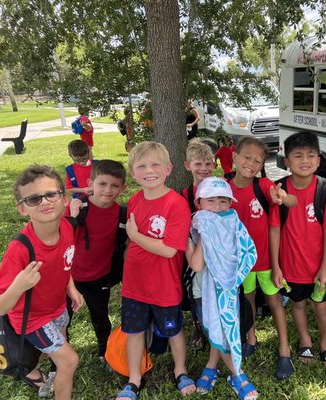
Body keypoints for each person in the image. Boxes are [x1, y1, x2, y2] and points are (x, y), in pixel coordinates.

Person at [0, 165, 84, 400]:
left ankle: (37, 368)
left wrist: (71, 288)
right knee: (69, 360)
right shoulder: (20, 249)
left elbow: (64, 262)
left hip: (57, 307)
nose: (44, 202)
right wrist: (19, 285)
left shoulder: (67, 227)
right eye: (33, 199)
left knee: (57, 347)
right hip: (33, 318)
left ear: (64, 199)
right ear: (22, 209)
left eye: (50, 194)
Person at [115, 142, 195, 399]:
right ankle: (134, 378)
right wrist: (132, 240)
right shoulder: (135, 199)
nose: (149, 171)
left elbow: (169, 250)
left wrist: (135, 236)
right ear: (133, 173)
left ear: (168, 169)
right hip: (134, 284)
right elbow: (130, 240)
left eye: (155, 165)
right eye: (141, 166)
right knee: (134, 331)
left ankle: (180, 370)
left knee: (173, 330)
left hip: (164, 284)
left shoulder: (176, 204)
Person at [269, 131, 326, 368]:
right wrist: (276, 266)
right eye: (297, 155)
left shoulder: (325, 189)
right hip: (290, 266)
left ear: (319, 160)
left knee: (321, 306)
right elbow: (275, 229)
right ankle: (305, 339)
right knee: (298, 304)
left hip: (317, 267)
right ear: (286, 161)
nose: (305, 161)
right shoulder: (278, 190)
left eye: (311, 155)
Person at [230, 136, 297, 379]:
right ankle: (250, 336)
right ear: (235, 157)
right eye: (247, 157)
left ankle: (284, 349)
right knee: (246, 298)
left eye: (258, 160)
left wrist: (284, 197)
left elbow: (291, 200)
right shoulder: (224, 188)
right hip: (240, 263)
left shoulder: (264, 185)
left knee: (274, 301)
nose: (252, 163)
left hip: (267, 261)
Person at [186, 176, 258, 400]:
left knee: (225, 330)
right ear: (198, 202)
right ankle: (238, 375)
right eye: (211, 201)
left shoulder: (232, 221)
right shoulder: (197, 224)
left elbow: (246, 250)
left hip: (227, 287)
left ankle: (212, 366)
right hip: (203, 290)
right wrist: (203, 236)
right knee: (219, 329)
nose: (217, 207)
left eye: (223, 201)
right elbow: (197, 265)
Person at [67, 160, 127, 364]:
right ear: (90, 183)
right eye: (102, 184)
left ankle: (105, 352)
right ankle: (57, 362)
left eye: (114, 185)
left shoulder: (121, 214)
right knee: (62, 320)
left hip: (99, 276)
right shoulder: (77, 207)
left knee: (101, 318)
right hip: (69, 278)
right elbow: (59, 239)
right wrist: (72, 217)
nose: (108, 190)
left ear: (123, 188)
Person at [180, 138, 216, 351]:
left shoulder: (221, 189)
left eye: (208, 163)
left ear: (214, 164)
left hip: (218, 254)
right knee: (196, 293)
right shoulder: (184, 195)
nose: (203, 168)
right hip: (194, 254)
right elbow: (182, 229)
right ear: (188, 166)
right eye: (198, 164)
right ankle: (199, 327)